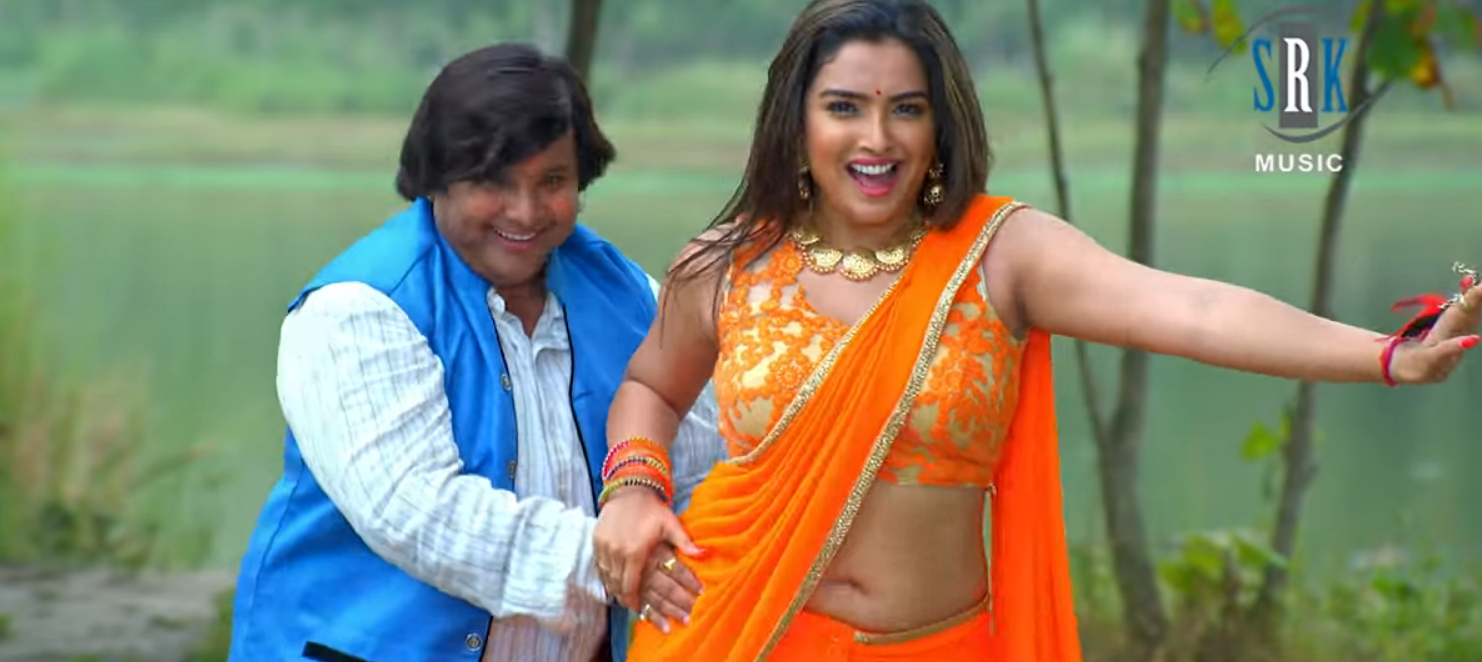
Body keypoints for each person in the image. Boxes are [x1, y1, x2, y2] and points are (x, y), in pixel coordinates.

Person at [587, 1, 1482, 661]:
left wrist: (1390, 357)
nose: (878, 138)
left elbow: (1193, 309)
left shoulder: (998, 254)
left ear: (941, 123)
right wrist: (632, 488)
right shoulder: (731, 261)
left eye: (908, 108)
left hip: (938, 646)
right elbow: (652, 387)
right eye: (845, 106)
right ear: (797, 118)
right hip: (731, 628)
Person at [226, 43, 725, 662]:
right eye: (494, 181)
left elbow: (703, 471)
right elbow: (419, 511)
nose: (526, 212)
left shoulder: (633, 297)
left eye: (552, 181)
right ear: (437, 176)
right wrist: (623, 561)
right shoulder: (355, 310)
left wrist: (682, 545)